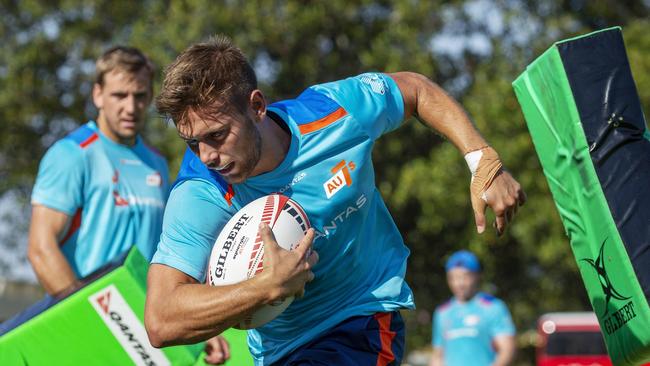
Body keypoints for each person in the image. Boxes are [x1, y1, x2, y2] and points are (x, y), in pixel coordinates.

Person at [144, 35, 526, 366]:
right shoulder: (201, 191)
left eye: (217, 135)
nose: (206, 155)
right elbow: (161, 319)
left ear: (257, 107)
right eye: (192, 142)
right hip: (280, 350)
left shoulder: (335, 112)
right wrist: (264, 288)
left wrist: (482, 160)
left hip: (362, 316)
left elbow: (416, 90)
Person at [21, 46, 229, 364]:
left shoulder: (157, 164)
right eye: (120, 95)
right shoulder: (72, 154)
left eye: (140, 96)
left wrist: (200, 325)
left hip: (144, 325)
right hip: (92, 324)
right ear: (98, 95)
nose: (131, 107)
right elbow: (40, 248)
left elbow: (172, 253)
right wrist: (88, 316)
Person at [430, 250, 516, 366]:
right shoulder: (442, 312)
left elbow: (507, 350)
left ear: (477, 276)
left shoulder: (493, 307)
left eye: (465, 277)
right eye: (453, 278)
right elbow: (437, 356)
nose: (459, 283)